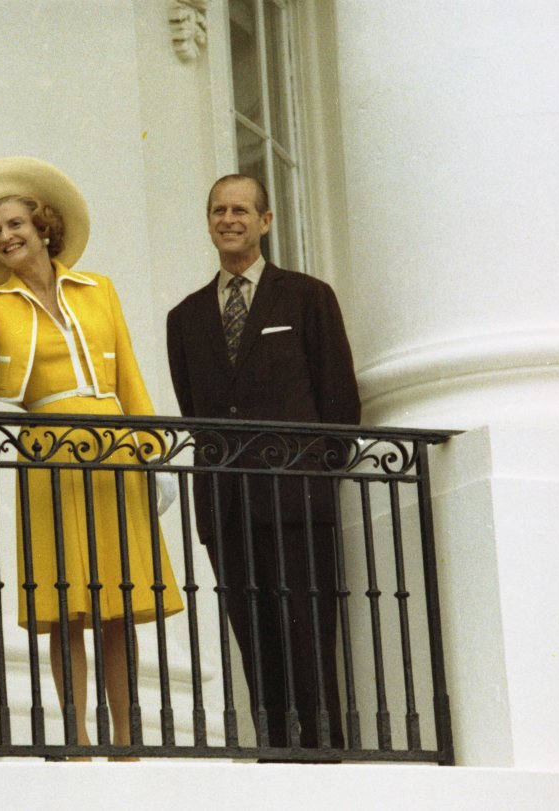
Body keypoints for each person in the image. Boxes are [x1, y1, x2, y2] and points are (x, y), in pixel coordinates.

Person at [0, 156, 183, 752]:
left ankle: (127, 735)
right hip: (48, 450)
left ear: (44, 227)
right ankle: (77, 734)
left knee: (120, 601)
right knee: (65, 604)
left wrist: (155, 451)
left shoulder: (100, 291)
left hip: (116, 449)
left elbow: (131, 381)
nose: (7, 236)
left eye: (16, 223)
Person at [166, 174, 361, 751]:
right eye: (219, 211)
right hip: (227, 508)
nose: (230, 220)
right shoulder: (185, 317)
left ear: (266, 221)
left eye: (242, 210)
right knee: (255, 642)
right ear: (208, 222)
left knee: (309, 637)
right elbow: (197, 411)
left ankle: (324, 759)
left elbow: (339, 399)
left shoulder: (306, 296)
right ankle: (276, 754)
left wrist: (318, 472)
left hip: (298, 500)